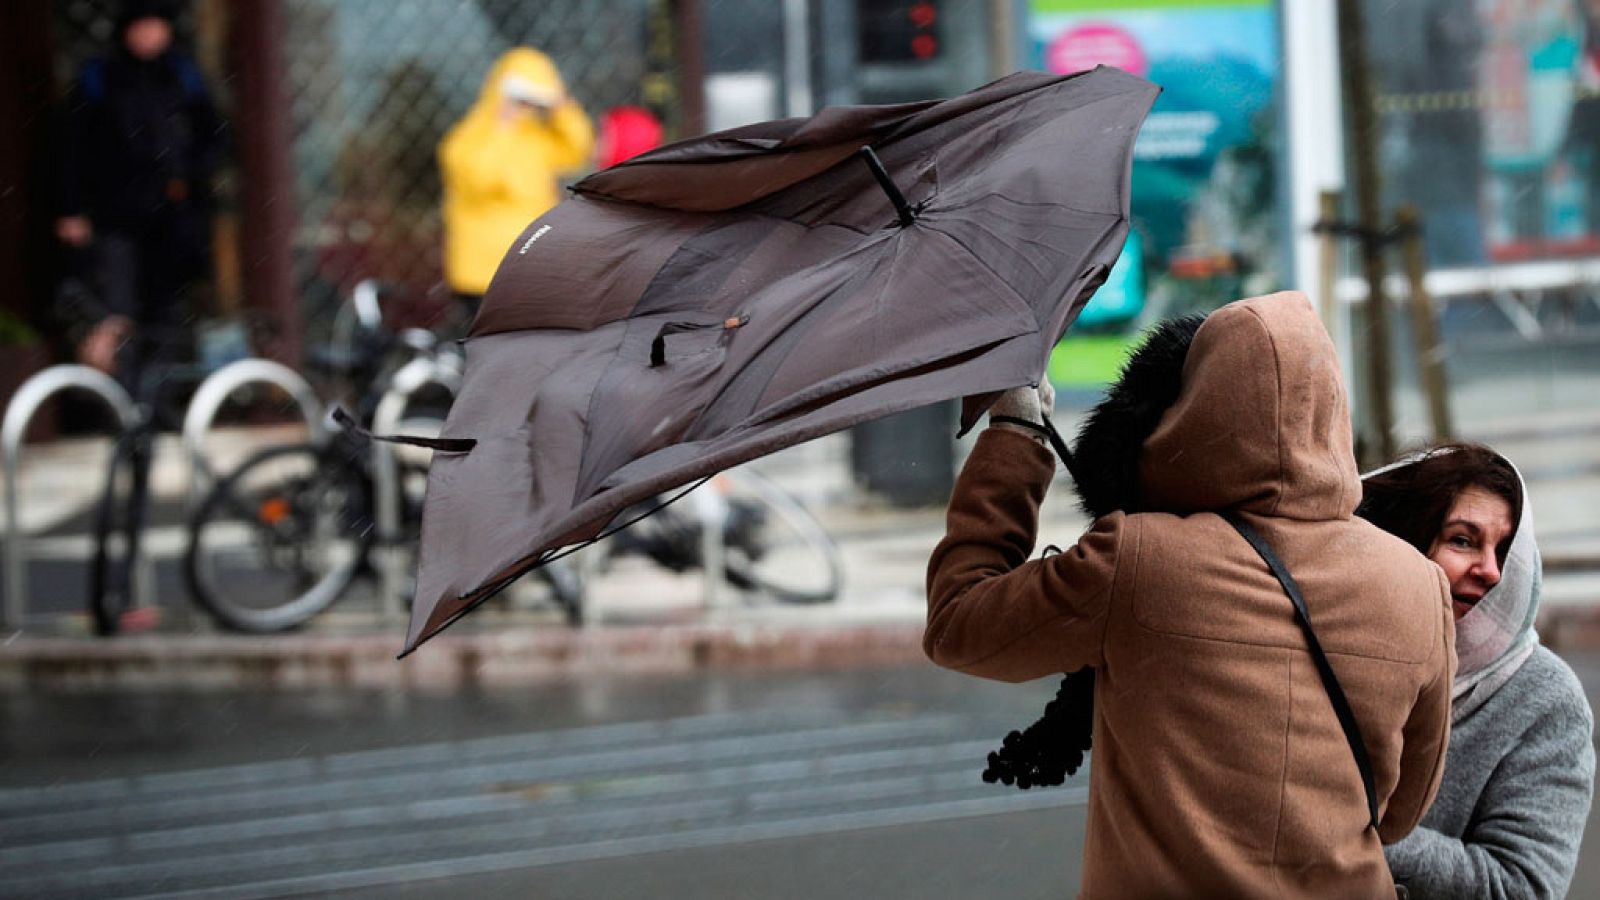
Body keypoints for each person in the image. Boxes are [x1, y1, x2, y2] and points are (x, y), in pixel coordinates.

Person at [926, 291, 1455, 897]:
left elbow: (958, 626)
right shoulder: (1417, 583)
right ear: (1331, 408)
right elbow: (1398, 813)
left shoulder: (1141, 560)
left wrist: (1018, 432)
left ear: (1197, 409)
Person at [1360, 444, 1595, 898]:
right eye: (1463, 540)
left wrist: (1352, 835)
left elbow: (1523, 887)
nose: (1491, 571)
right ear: (1402, 542)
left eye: (1506, 550)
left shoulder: (1545, 700)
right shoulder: (1332, 652)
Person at [55, 0, 223, 389]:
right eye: (141, 25)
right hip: (114, 213)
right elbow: (70, 147)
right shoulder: (100, 77)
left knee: (166, 311)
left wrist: (193, 181)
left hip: (172, 215)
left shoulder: (183, 74)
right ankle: (126, 402)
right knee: (117, 312)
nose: (149, 35)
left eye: (156, 25)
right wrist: (71, 208)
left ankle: (158, 398)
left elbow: (214, 135)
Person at [437, 48, 594, 319]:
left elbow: (577, 149)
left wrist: (561, 106)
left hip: (532, 266)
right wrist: (501, 128)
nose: (524, 107)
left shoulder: (534, 138)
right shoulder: (468, 138)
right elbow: (479, 180)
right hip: (482, 272)